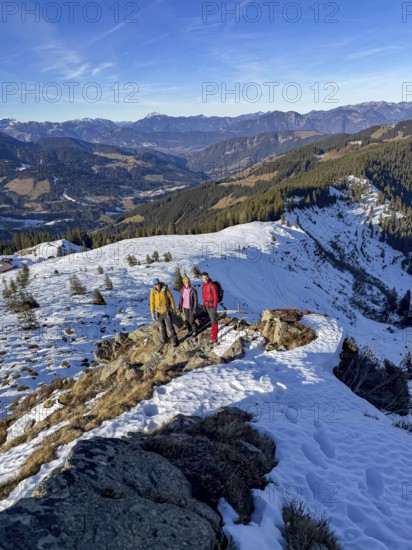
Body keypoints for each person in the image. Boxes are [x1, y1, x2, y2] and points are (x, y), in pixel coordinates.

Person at [150, 278, 179, 346]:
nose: (157, 285)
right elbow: (152, 302)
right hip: (159, 312)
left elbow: (170, 298)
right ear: (154, 285)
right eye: (155, 284)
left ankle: (175, 340)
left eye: (158, 283)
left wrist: (173, 308)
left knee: (170, 326)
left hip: (166, 311)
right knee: (162, 326)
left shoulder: (165, 289)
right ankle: (165, 338)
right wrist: (152, 313)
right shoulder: (153, 292)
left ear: (159, 283)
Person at [201, 272, 219, 343]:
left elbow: (215, 297)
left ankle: (214, 337)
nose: (205, 279)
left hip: (212, 305)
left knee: (213, 320)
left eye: (206, 277)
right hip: (207, 305)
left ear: (208, 277)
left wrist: (214, 306)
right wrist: (204, 304)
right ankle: (214, 331)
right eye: (203, 278)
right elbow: (203, 296)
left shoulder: (212, 285)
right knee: (213, 319)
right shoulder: (204, 285)